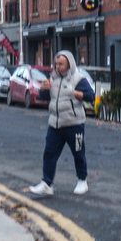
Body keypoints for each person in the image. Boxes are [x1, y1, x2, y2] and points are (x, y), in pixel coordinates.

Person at [28, 50, 94, 196]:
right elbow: (45, 97)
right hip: (55, 124)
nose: (58, 67)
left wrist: (76, 93)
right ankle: (47, 183)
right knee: (49, 153)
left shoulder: (78, 79)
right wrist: (44, 90)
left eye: (61, 64)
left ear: (69, 63)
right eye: (56, 64)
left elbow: (91, 96)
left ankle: (82, 180)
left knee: (78, 153)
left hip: (74, 124)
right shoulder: (53, 79)